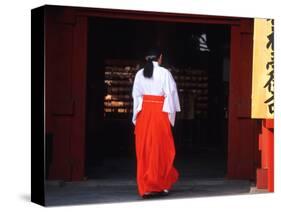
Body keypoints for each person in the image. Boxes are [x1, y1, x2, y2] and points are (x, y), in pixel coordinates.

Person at [132, 48, 181, 198]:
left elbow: (136, 96)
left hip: (145, 113)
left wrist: (137, 115)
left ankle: (146, 187)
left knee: (144, 150)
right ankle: (162, 184)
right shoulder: (165, 73)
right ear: (160, 58)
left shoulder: (139, 74)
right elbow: (171, 94)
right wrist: (170, 115)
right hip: (160, 112)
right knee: (162, 149)